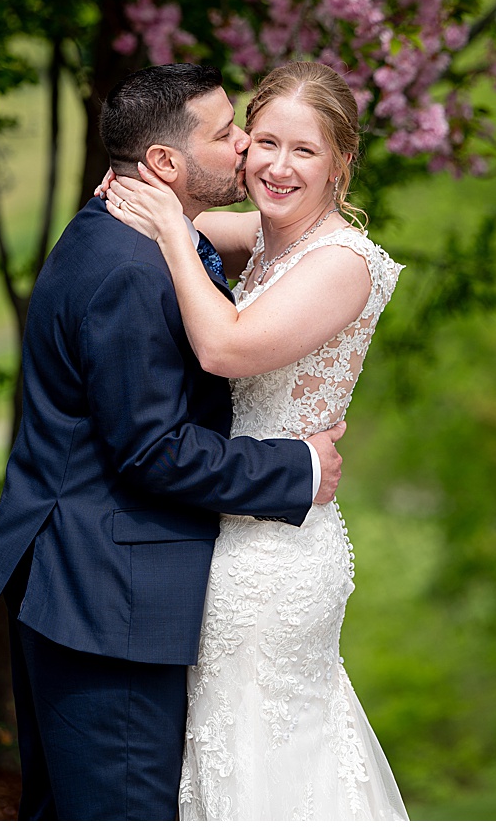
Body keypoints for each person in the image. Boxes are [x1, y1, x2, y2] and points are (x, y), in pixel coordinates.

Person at [0, 62, 344, 820]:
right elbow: (152, 450)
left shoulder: (124, 232)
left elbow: (258, 239)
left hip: (74, 584)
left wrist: (180, 221)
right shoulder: (132, 269)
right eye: (228, 132)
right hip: (106, 604)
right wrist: (296, 467)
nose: (245, 149)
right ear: (164, 164)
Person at [102, 59, 407, 819]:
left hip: (276, 555)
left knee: (268, 754)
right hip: (228, 522)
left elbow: (226, 349)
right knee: (223, 750)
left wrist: (171, 229)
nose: (276, 165)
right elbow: (203, 220)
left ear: (341, 161)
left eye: (304, 151)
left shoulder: (342, 263)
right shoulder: (267, 238)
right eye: (263, 141)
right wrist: (153, 200)